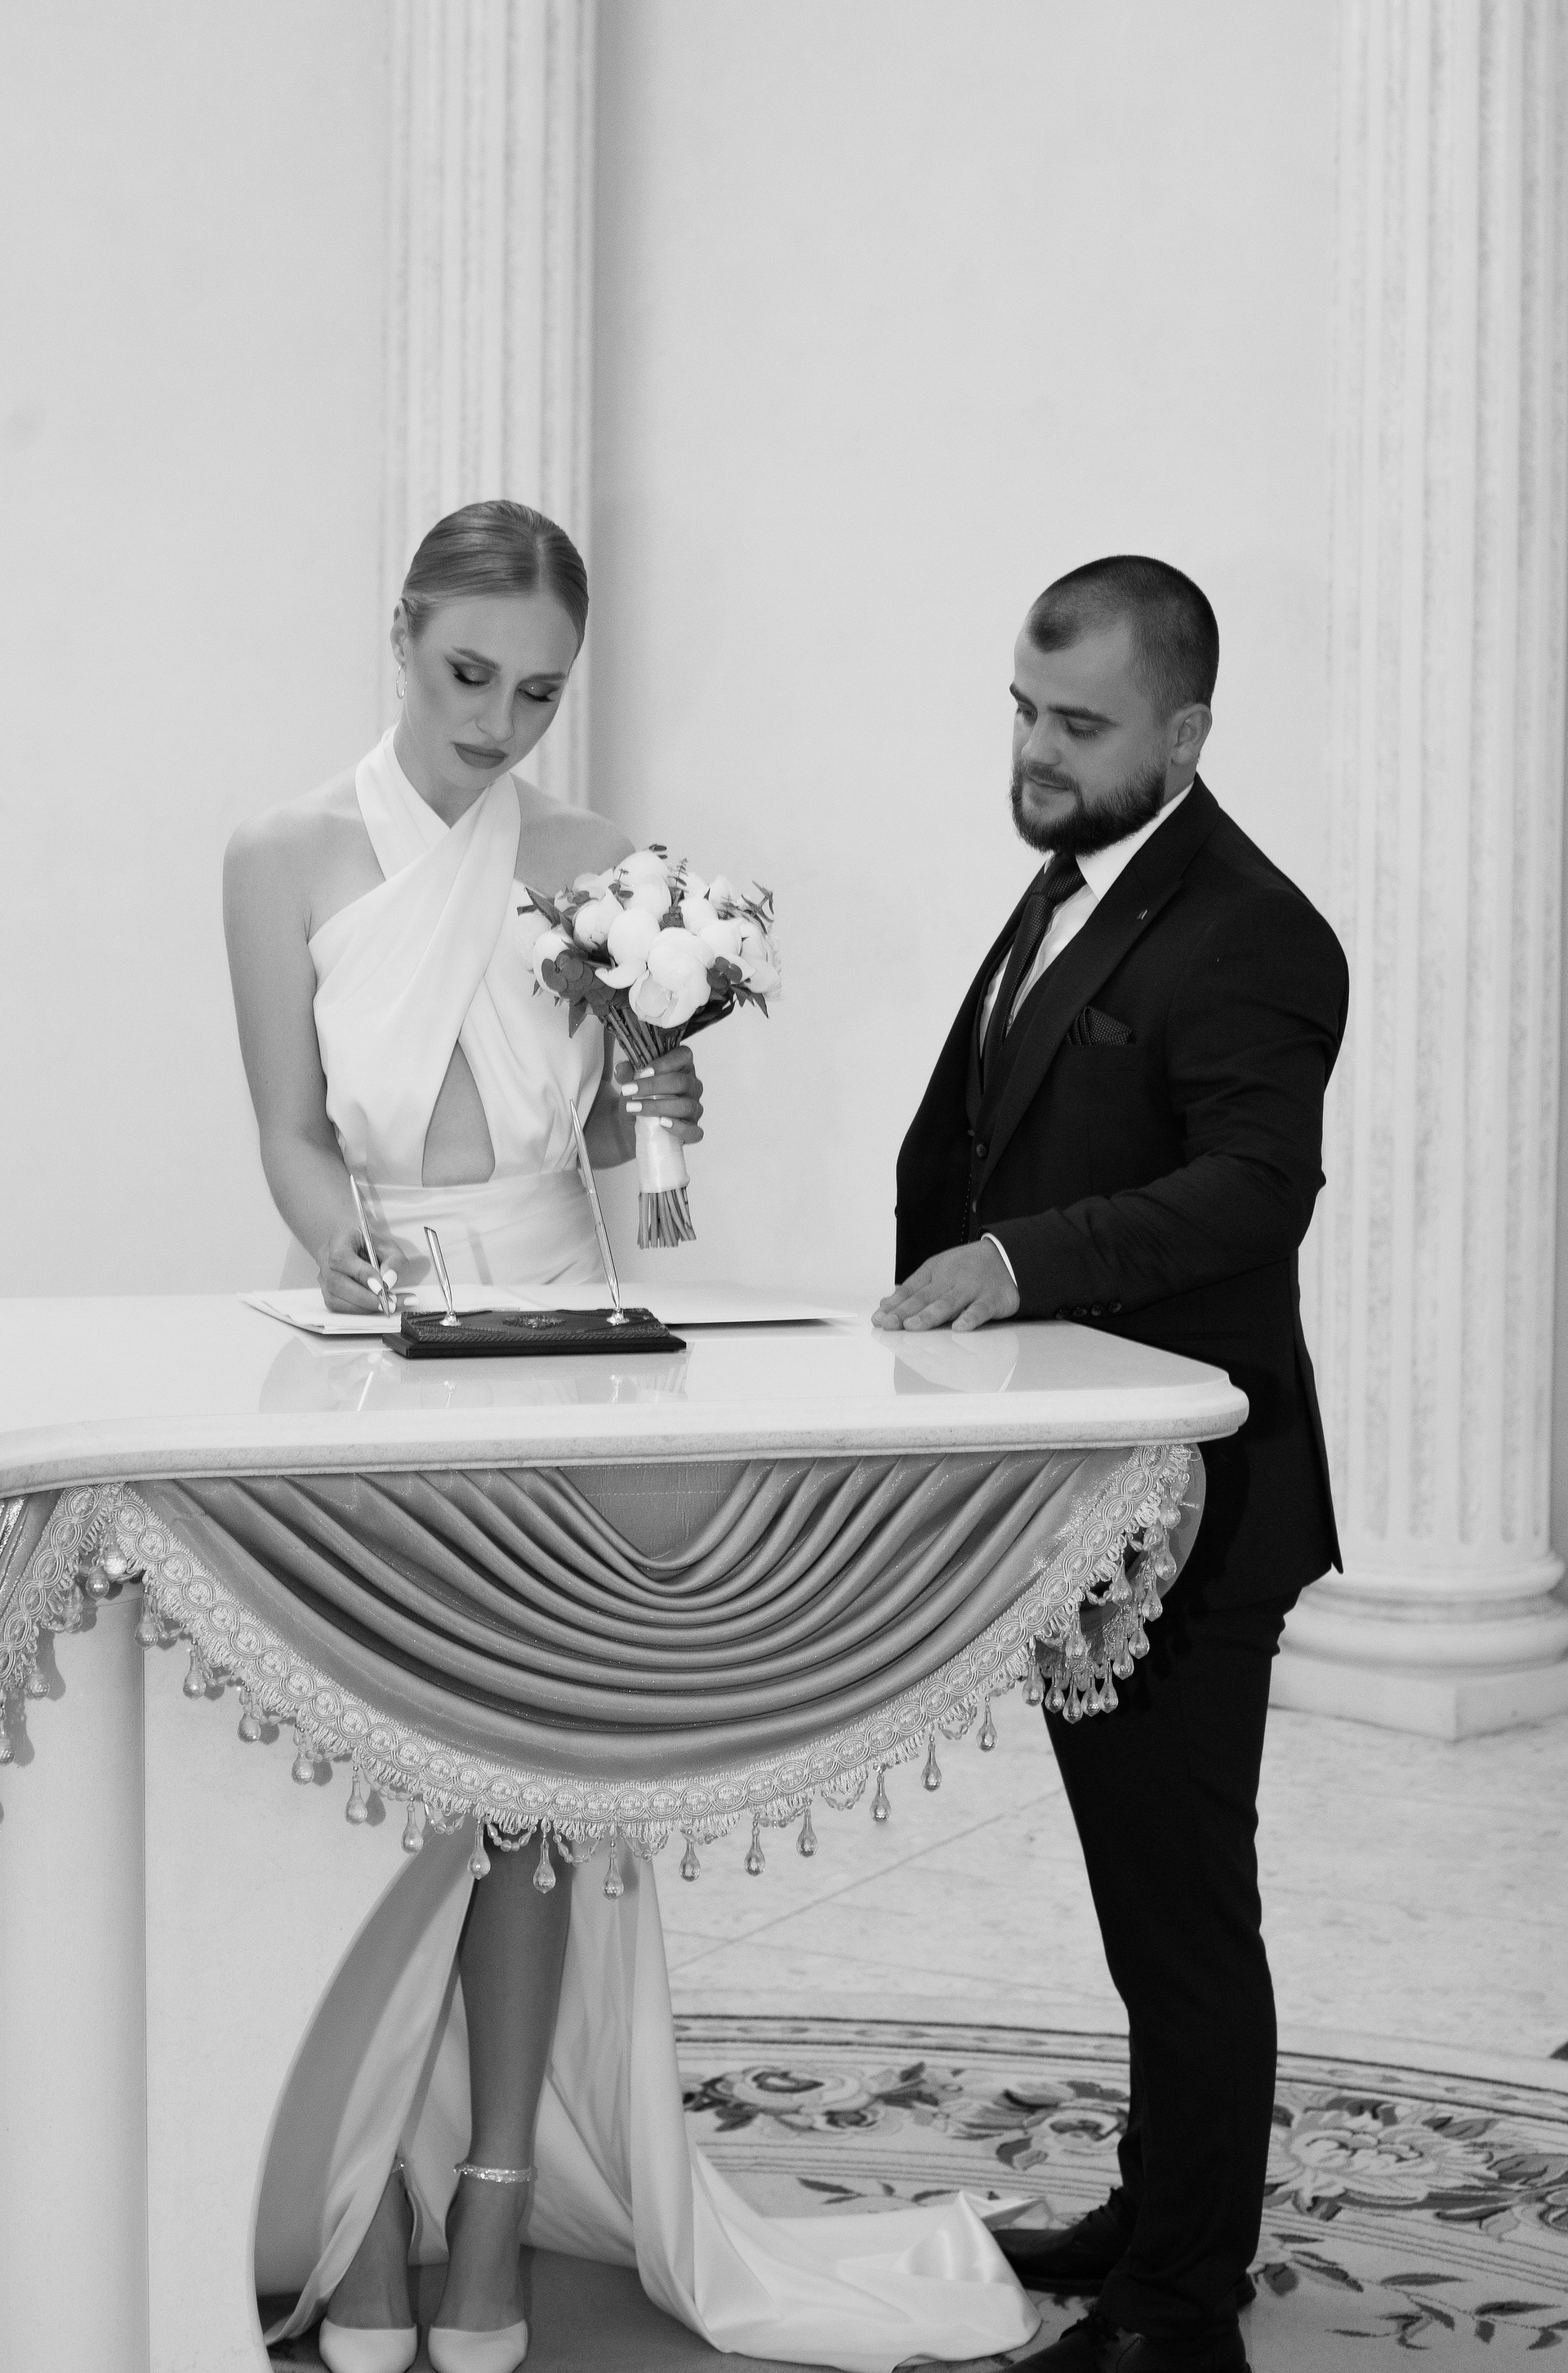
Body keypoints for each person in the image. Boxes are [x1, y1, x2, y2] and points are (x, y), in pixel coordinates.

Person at [225, 500, 1036, 2373]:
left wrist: (658, 1106)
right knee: (367, 1784)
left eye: (538, 690)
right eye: (469, 673)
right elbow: (283, 1123)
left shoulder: (597, 865)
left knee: (534, 1779)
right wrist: (342, 1245)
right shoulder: (279, 855)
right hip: (357, 1340)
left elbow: (635, 1193)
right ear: (403, 631)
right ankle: (369, 2201)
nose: (498, 721)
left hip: (554, 1332)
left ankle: (494, 2191)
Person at [875, 556, 1349, 2373]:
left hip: (1197, 1510)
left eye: (1080, 723)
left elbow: (1253, 1191)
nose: (1038, 748)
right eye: (1024, 707)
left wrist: (1015, 1264)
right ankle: (1156, 2217)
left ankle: (1179, 2309)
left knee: (1185, 1917)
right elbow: (979, 1141)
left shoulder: (1257, 933)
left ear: (1188, 731)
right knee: (1143, 1903)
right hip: (1079, 1501)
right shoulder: (1075, 882)